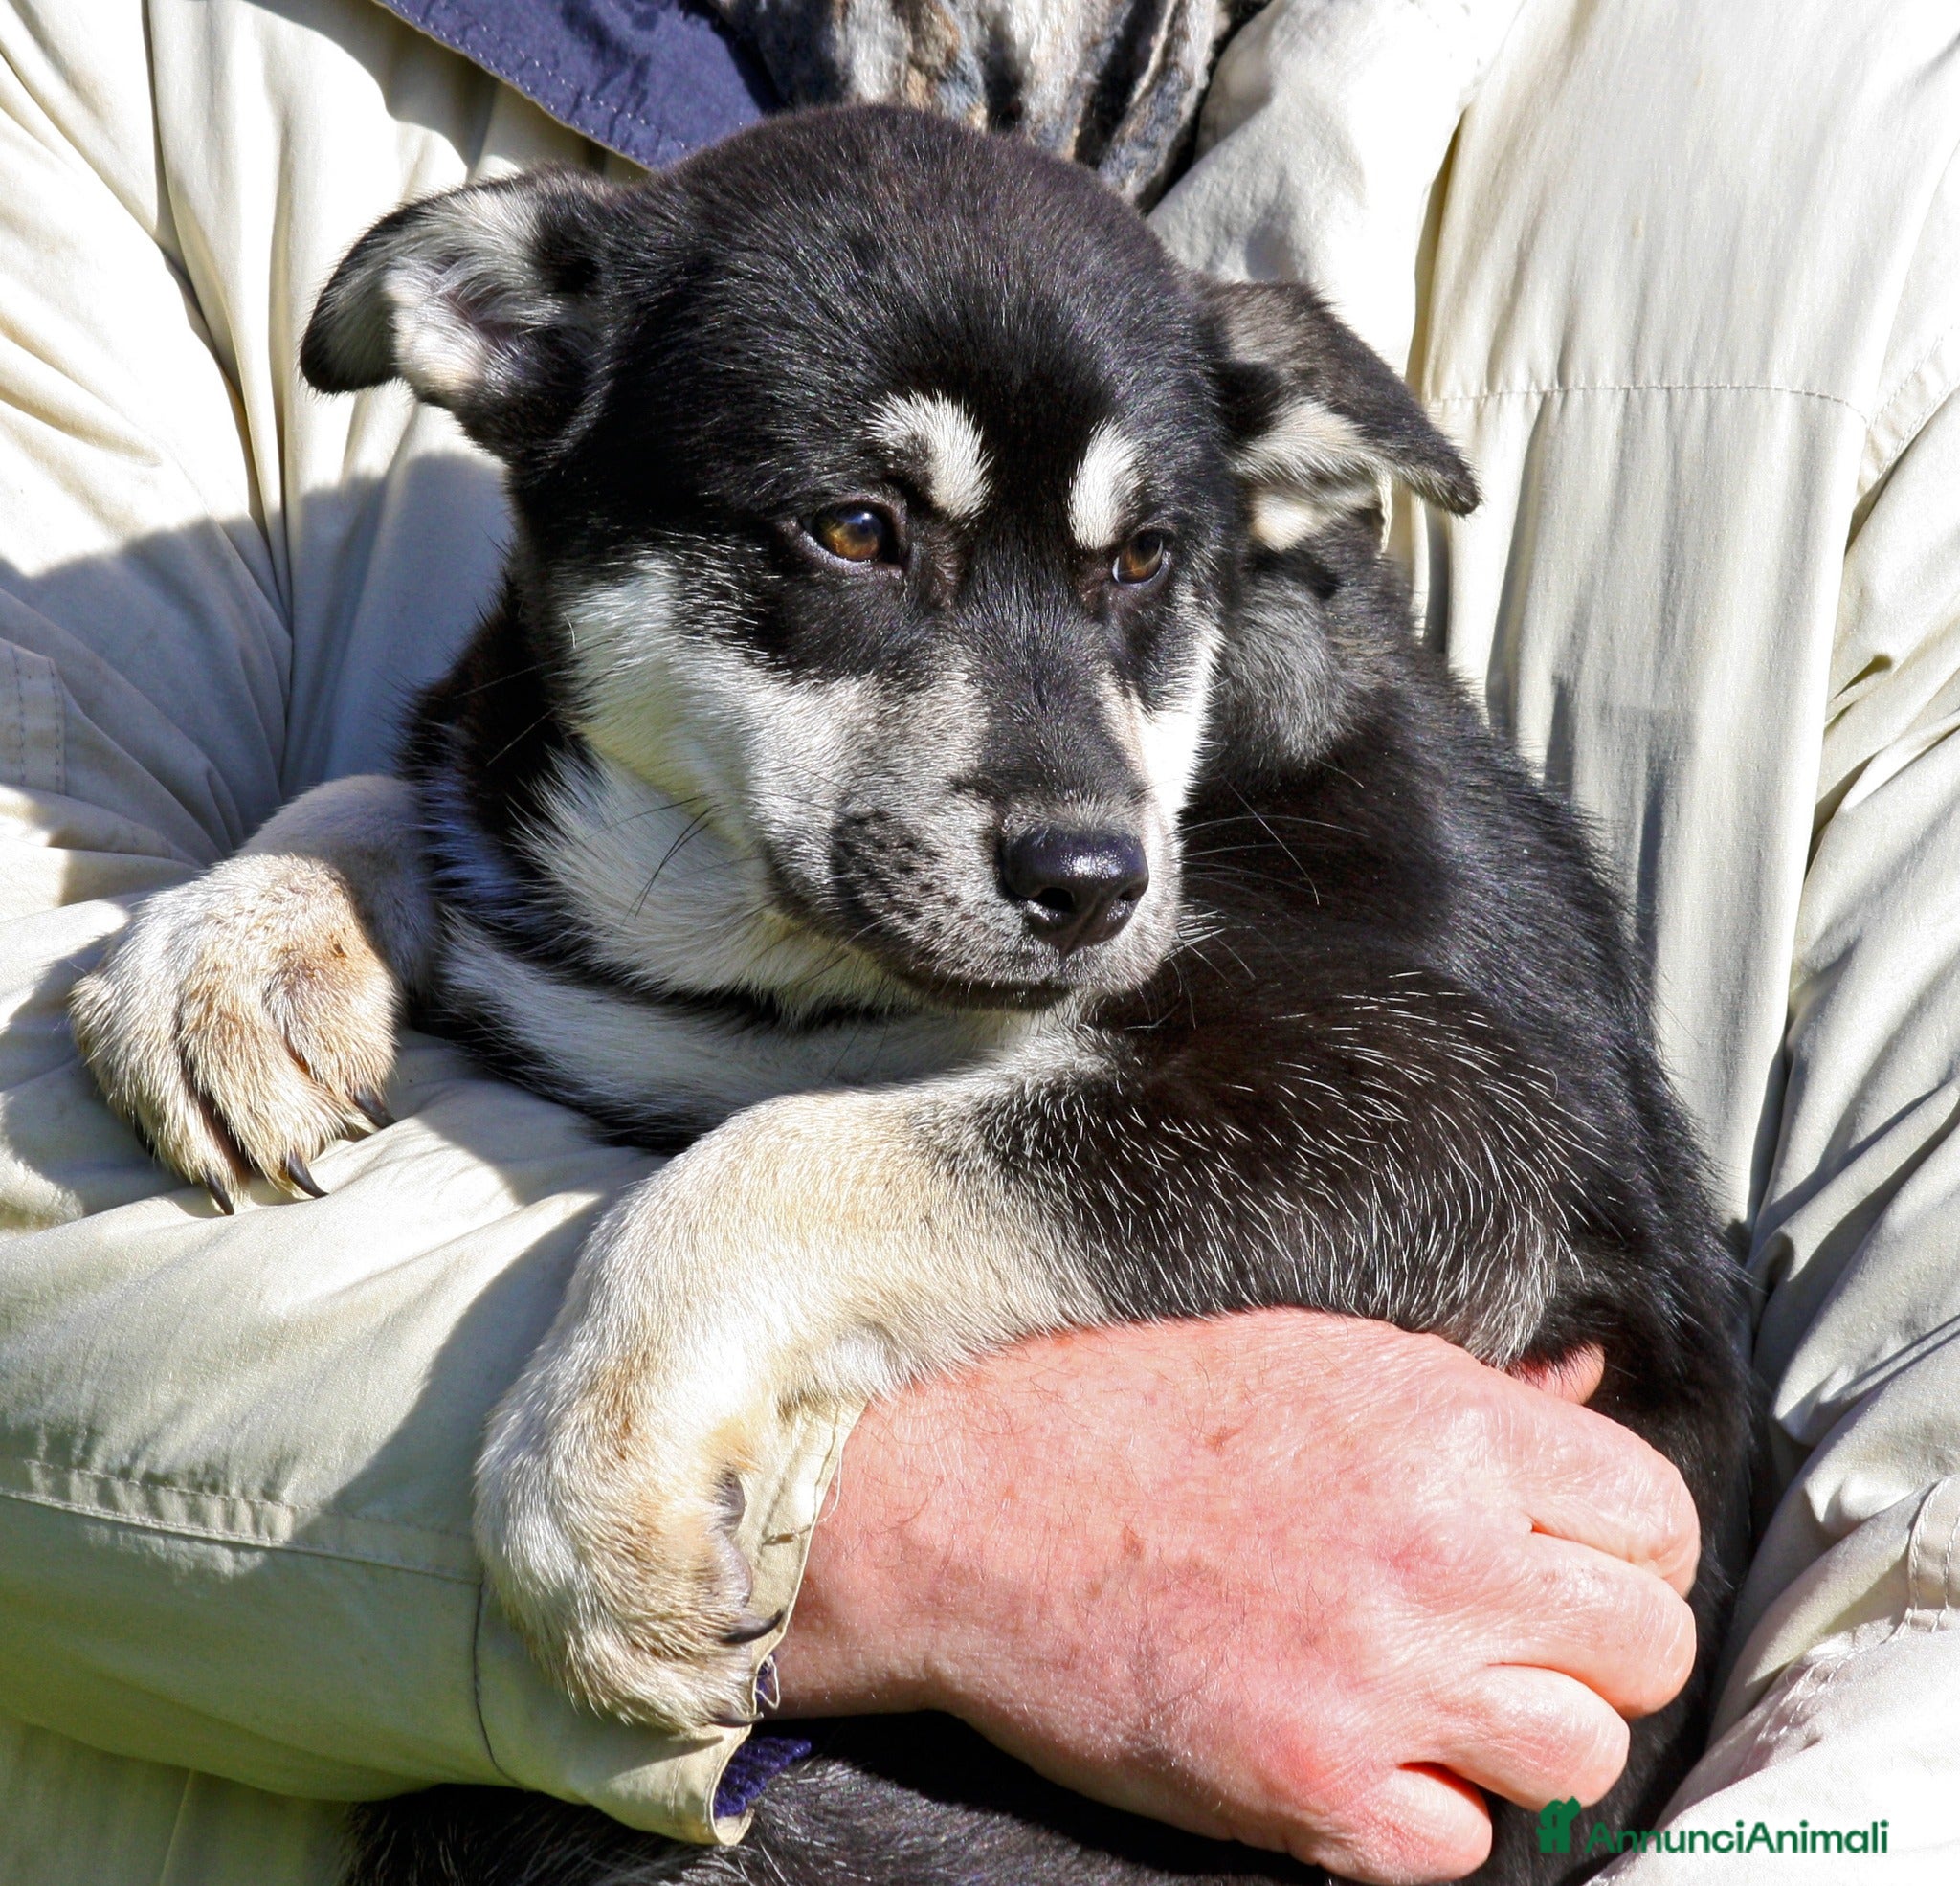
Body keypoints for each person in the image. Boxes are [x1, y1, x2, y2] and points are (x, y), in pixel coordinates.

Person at [0, 3, 1952, 1883]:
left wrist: (772, 1246)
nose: (1071, 807)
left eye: (1124, 582)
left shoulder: (1856, 154)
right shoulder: (129, 69)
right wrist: (351, 867)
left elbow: (1589, 1252)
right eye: (859, 539)